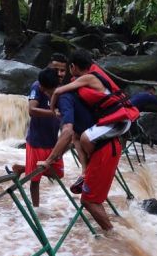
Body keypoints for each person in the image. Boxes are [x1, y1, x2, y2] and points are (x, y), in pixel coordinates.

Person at [40, 66, 125, 232]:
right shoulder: (69, 95)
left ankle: (115, 237)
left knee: (89, 200)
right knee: (92, 197)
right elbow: (73, 137)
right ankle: (115, 239)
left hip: (104, 150)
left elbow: (67, 132)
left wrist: (49, 160)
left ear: (42, 88)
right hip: (108, 146)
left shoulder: (64, 99)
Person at [48, 50, 140, 190]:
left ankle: (92, 168)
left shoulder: (89, 78)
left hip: (119, 121)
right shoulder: (88, 77)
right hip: (112, 120)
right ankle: (85, 172)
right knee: (76, 137)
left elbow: (57, 91)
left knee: (85, 138)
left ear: (73, 66)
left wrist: (52, 108)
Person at [12, 66, 65, 207]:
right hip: (37, 140)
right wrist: (54, 113)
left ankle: (22, 168)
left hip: (53, 140)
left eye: (63, 70)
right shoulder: (37, 86)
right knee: (35, 180)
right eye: (58, 69)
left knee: (58, 174)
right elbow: (32, 110)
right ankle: (36, 208)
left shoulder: (60, 89)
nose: (61, 72)